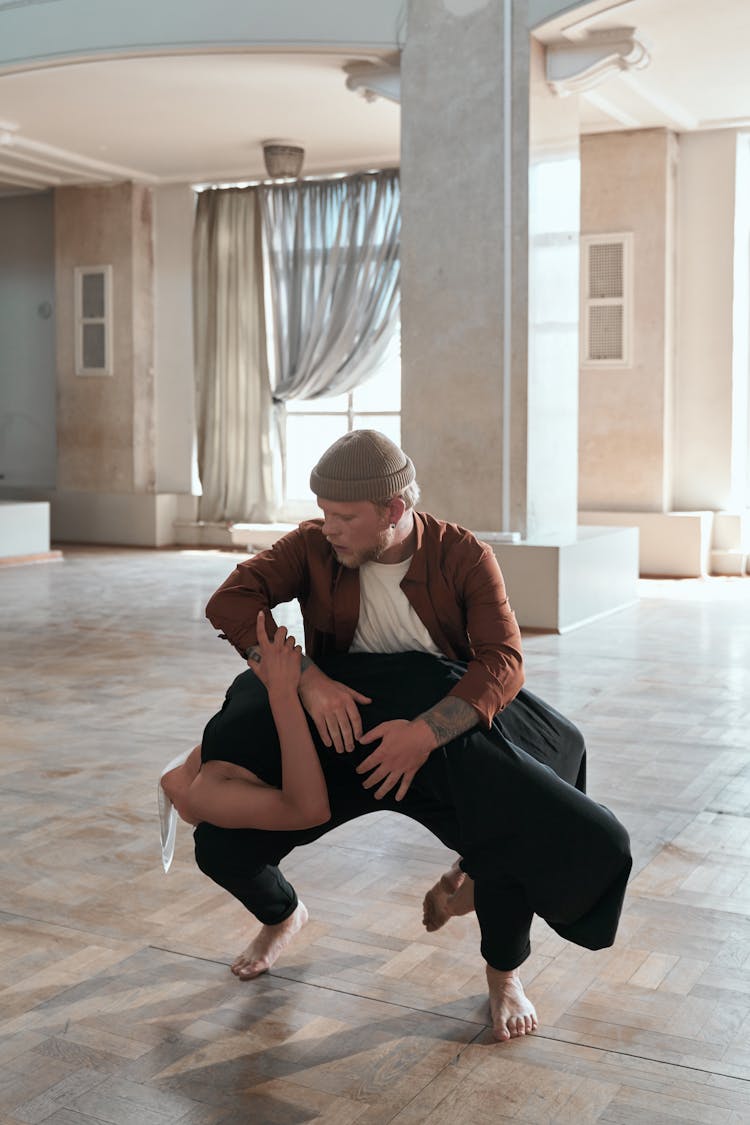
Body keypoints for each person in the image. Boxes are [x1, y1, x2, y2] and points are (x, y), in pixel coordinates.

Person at [166, 430, 631, 1042]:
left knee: (511, 827)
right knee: (221, 846)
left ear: (393, 510)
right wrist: (307, 679)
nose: (327, 527)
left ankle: (503, 973)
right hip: (344, 733)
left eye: (344, 516)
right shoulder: (312, 545)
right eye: (324, 513)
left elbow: (504, 661)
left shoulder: (462, 555)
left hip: (438, 731)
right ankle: (283, 916)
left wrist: (424, 734)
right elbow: (232, 600)